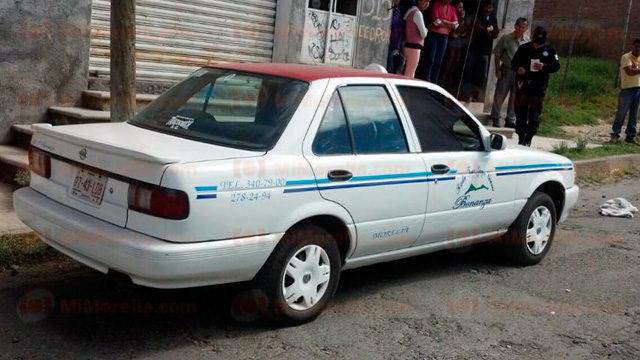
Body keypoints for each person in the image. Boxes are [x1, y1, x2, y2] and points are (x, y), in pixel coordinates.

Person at [510, 26, 560, 146]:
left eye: (540, 44)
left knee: (534, 114)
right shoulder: (524, 48)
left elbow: (556, 66)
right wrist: (519, 69)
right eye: (536, 43)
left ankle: (529, 137)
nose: (537, 46)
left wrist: (544, 67)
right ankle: (521, 136)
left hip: (538, 87)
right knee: (520, 111)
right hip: (523, 85)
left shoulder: (550, 51)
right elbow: (514, 62)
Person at [490, 17, 530, 128]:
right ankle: (495, 117)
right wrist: (497, 69)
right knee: (500, 94)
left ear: (526, 28)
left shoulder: (527, 41)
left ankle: (510, 119)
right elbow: (497, 54)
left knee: (514, 96)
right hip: (507, 70)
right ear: (515, 26)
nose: (520, 29)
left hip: (520, 73)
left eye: (523, 27)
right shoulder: (506, 38)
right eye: (519, 26)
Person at [462, 0, 498, 102]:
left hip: (485, 50)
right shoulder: (477, 16)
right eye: (486, 7)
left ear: (492, 9)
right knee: (469, 72)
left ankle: (474, 94)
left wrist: (490, 31)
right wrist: (486, 30)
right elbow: (474, 30)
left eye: (490, 8)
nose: (487, 9)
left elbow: (495, 33)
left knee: (481, 74)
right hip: (474, 48)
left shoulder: (493, 18)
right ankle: (466, 94)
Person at [610, 38, 640, 145]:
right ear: (633, 46)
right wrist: (635, 69)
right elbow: (629, 72)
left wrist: (635, 69)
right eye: (636, 46)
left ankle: (630, 136)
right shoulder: (626, 57)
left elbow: (634, 70)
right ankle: (615, 134)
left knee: (634, 114)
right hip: (627, 89)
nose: (638, 48)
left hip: (638, 89)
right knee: (621, 112)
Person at [421, 0, 458, 83]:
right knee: (430, 59)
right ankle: (426, 80)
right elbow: (436, 22)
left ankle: (434, 81)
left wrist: (444, 21)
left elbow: (456, 25)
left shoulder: (452, 8)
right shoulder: (435, 5)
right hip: (433, 34)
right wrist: (450, 24)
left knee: (439, 61)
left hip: (444, 36)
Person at [439, 1, 471, 92]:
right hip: (451, 44)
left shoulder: (462, 18)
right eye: (459, 7)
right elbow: (455, 28)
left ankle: (448, 89)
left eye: (462, 8)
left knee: (452, 69)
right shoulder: (452, 16)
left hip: (459, 46)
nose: (461, 10)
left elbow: (463, 30)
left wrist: (462, 18)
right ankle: (441, 87)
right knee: (446, 67)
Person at [403, 0, 430, 78]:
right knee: (410, 73)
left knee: (406, 70)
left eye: (429, 2)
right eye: (426, 1)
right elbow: (424, 34)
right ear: (419, 1)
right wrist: (426, 30)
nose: (427, 4)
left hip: (407, 44)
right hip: (415, 47)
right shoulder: (418, 14)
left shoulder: (409, 12)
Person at [387, 0, 405, 74]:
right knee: (389, 68)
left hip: (395, 44)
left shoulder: (398, 11)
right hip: (387, 43)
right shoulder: (389, 10)